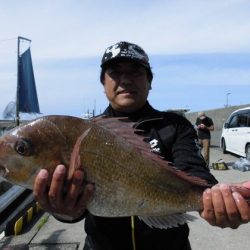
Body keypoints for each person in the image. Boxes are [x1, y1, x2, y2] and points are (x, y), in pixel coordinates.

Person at [33, 41, 250, 250]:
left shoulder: (175, 126)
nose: (125, 79)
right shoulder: (84, 134)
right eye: (115, 72)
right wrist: (63, 211)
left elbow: (197, 174)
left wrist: (218, 201)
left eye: (136, 71)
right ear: (103, 83)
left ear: (149, 81)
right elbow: (76, 207)